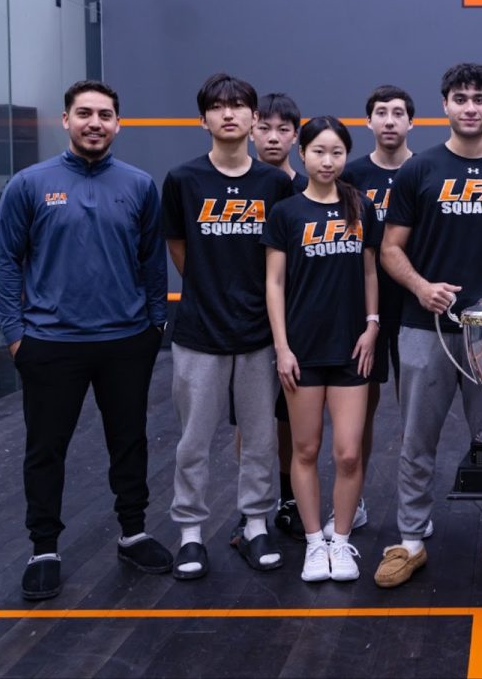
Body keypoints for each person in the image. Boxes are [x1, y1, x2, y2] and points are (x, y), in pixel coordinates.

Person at [0, 80, 172, 600]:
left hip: (126, 341)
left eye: (106, 115)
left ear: (119, 124)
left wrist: (155, 325)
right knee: (45, 449)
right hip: (50, 343)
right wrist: (16, 335)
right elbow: (6, 262)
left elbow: (151, 262)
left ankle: (133, 532)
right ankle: (43, 547)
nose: (96, 123)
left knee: (129, 440)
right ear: (66, 119)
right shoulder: (29, 184)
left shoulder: (138, 185)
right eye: (85, 113)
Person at [375, 62, 482, 588]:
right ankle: (410, 540)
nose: (470, 107)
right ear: (445, 105)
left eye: (479, 98)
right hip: (425, 329)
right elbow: (390, 249)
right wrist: (421, 287)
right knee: (416, 440)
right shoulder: (419, 171)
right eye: (460, 98)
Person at [161, 73, 293, 579]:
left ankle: (255, 526)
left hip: (258, 334)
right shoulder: (183, 179)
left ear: (254, 119)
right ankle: (191, 533)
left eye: (239, 106)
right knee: (193, 441)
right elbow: (179, 248)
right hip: (199, 332)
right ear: (204, 119)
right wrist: (209, 290)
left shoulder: (275, 183)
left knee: (259, 438)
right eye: (218, 107)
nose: (229, 114)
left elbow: (279, 259)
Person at [265, 116, 380, 582]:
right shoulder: (287, 213)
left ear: (344, 155)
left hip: (352, 348)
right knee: (307, 450)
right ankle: (315, 543)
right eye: (318, 151)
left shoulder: (360, 205)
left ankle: (342, 539)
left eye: (336, 152)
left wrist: (372, 325)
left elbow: (370, 271)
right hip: (303, 350)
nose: (328, 160)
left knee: (349, 453)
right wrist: (282, 348)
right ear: (303, 154)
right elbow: (274, 283)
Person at [329, 85, 416, 540]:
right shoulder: (351, 176)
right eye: (380, 113)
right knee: (362, 406)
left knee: (415, 410)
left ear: (411, 122)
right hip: (363, 310)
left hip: (417, 307)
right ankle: (354, 499)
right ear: (368, 123)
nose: (389, 121)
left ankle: (413, 507)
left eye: (398, 113)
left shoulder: (426, 170)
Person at [250, 92, 307, 544]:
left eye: (283, 129)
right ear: (251, 129)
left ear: (295, 135)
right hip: (245, 323)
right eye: (264, 128)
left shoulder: (308, 190)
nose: (273, 137)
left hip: (298, 323)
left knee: (287, 417)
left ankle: (289, 498)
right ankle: (250, 511)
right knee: (250, 421)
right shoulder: (237, 184)